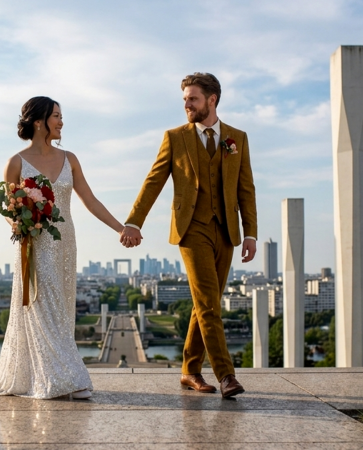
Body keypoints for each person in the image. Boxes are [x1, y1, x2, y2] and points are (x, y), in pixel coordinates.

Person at [0, 96, 124, 399]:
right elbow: (10, 210)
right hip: (33, 243)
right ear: (39, 122)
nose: (62, 122)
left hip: (65, 241)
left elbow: (90, 200)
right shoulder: (16, 163)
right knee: (41, 303)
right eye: (57, 116)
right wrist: (23, 225)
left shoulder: (70, 158)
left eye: (62, 116)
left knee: (60, 308)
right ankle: (65, 377)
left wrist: (120, 228)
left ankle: (53, 374)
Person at [120, 73, 257, 398]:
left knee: (204, 303)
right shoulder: (175, 137)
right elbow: (153, 180)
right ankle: (226, 376)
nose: (186, 104)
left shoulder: (237, 138)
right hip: (191, 229)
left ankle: (189, 370)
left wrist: (250, 233)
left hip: (225, 230)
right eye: (184, 99)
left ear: (212, 100)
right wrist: (134, 222)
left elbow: (246, 189)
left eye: (192, 98)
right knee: (209, 305)